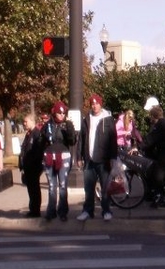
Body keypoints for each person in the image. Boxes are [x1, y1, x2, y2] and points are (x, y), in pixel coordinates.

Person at [76, 94, 118, 222]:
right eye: (92, 104)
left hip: (103, 159)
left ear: (101, 104)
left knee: (105, 187)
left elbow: (113, 140)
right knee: (88, 188)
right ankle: (88, 211)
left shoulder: (108, 119)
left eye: (97, 103)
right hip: (89, 159)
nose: (94, 106)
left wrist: (113, 157)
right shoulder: (86, 119)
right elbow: (81, 139)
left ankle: (106, 211)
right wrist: (79, 156)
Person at [39, 101, 76, 221]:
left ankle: (63, 211)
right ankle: (51, 211)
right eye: (59, 113)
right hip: (49, 156)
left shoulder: (67, 124)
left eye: (63, 113)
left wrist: (69, 127)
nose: (62, 115)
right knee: (51, 186)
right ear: (54, 113)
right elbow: (41, 141)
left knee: (63, 185)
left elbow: (72, 141)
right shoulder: (48, 125)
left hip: (63, 156)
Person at [18, 113, 44, 218]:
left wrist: (32, 164)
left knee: (34, 189)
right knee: (30, 189)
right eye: (24, 122)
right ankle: (32, 209)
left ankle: (35, 211)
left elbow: (37, 152)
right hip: (27, 167)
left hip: (34, 167)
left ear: (32, 121)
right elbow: (24, 149)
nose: (24, 123)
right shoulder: (28, 134)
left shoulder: (37, 134)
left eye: (26, 121)